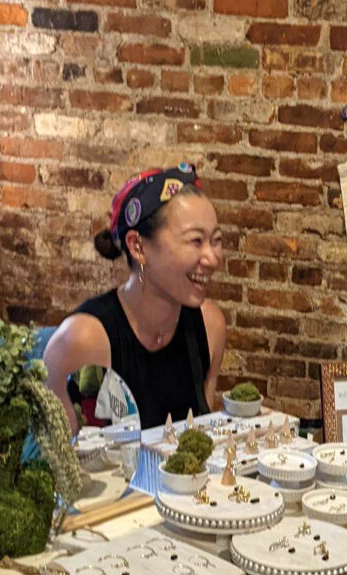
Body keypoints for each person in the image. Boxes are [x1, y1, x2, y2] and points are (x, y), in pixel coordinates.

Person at [44, 164, 227, 431]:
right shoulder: (81, 340)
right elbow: (59, 452)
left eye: (216, 240)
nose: (212, 258)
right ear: (138, 246)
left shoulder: (210, 326)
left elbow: (200, 438)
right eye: (196, 241)